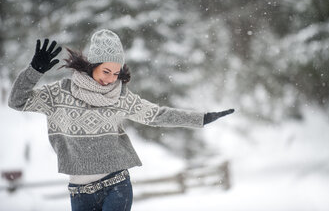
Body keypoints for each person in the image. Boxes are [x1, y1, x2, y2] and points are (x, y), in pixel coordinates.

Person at [8, 29, 234, 211]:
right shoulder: (59, 93)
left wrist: (201, 118)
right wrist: (33, 72)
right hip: (79, 192)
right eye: (106, 71)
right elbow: (17, 101)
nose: (111, 79)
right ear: (92, 65)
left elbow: (157, 115)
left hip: (116, 185)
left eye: (116, 73)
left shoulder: (119, 97)